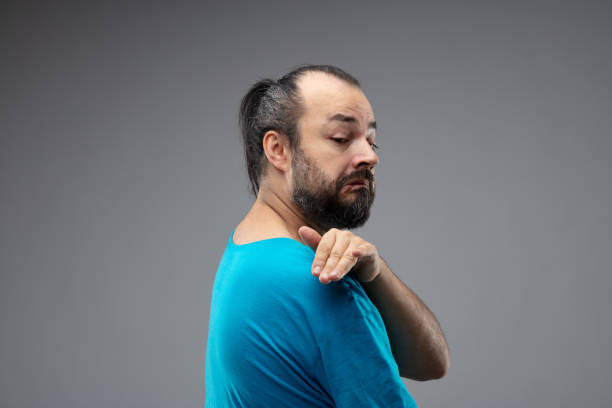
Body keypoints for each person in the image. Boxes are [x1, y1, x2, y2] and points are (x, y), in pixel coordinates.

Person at [204, 64, 450, 407]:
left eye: (371, 140)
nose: (369, 156)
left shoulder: (245, 250)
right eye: (341, 138)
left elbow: (431, 363)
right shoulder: (320, 285)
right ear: (278, 149)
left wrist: (375, 274)